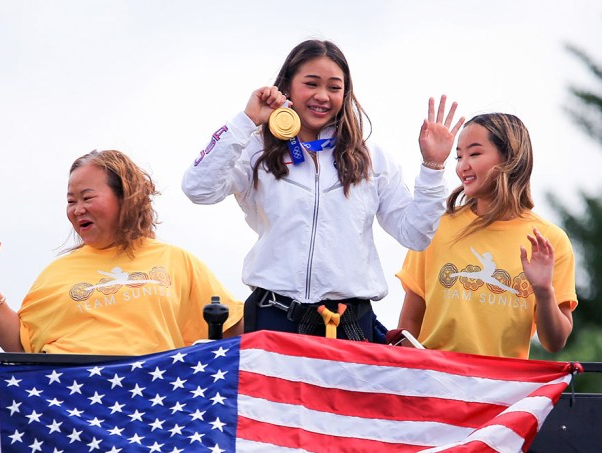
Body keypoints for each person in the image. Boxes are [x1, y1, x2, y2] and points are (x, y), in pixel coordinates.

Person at [181, 39, 463, 343]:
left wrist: (433, 167)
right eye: (311, 83)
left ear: (346, 93)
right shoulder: (255, 150)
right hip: (273, 320)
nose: (322, 96)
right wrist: (246, 121)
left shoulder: (371, 159)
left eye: (334, 87)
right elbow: (198, 188)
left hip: (349, 325)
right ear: (287, 85)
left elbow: (416, 235)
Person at [0, 150, 244, 355]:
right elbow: (21, 345)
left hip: (150, 406)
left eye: (87, 197)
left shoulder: (176, 261)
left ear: (126, 196)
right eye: (71, 200)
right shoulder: (57, 273)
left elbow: (233, 330)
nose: (77, 209)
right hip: (71, 406)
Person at [390, 113, 577, 359]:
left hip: (501, 391)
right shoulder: (435, 227)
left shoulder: (549, 240)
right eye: (459, 156)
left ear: (511, 157)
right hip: (435, 387)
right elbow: (409, 325)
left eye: (474, 154)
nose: (462, 165)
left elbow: (555, 342)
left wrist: (543, 291)